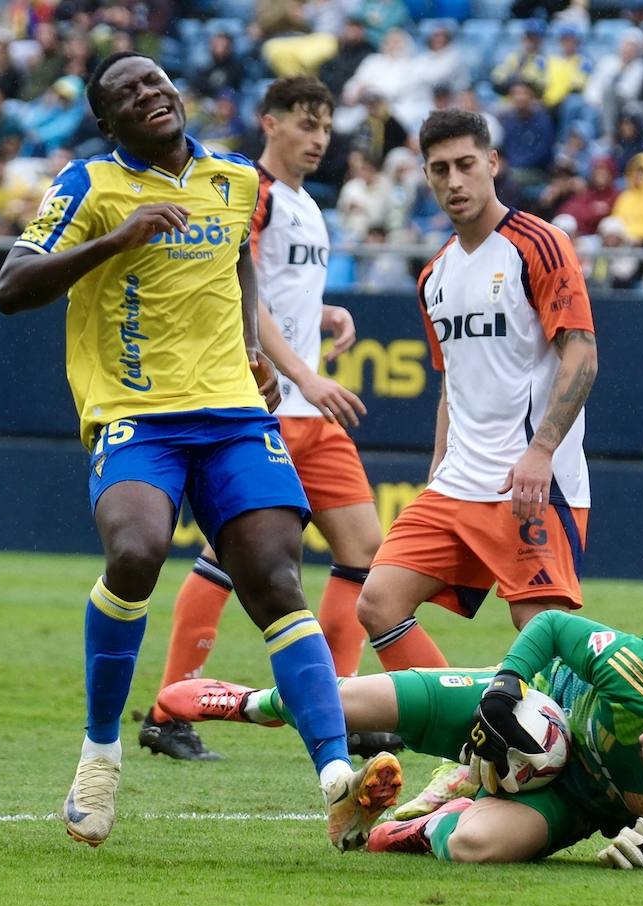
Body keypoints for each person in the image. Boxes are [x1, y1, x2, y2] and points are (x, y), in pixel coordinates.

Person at [0, 52, 400, 851]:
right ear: (109, 123)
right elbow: (13, 285)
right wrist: (116, 240)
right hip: (136, 414)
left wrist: (252, 341)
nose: (149, 95)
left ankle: (335, 779)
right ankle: (101, 753)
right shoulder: (90, 184)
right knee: (138, 551)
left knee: (277, 578)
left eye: (155, 82)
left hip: (233, 413)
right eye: (126, 94)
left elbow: (240, 263)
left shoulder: (235, 179)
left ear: (176, 95)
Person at [354, 108, 598, 815]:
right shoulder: (433, 274)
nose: (454, 181)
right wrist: (437, 470)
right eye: (439, 169)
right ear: (424, 175)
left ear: (493, 163)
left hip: (529, 480)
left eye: (466, 164)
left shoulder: (538, 244)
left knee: (545, 640)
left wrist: (542, 451)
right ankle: (472, 749)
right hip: (457, 483)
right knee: (379, 602)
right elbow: (450, 383)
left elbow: (581, 354)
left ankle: (588, 774)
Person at [135, 77, 385, 759]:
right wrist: (301, 371)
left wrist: (325, 315)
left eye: (327, 128)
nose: (319, 139)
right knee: (233, 557)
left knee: (364, 551)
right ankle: (168, 708)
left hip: (311, 410)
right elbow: (237, 286)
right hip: (271, 406)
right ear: (269, 122)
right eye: (307, 124)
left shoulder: (308, 204)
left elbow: (281, 295)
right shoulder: (254, 194)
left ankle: (339, 704)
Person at [158, 609, 643, 868]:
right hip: (528, 705)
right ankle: (248, 703)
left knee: (476, 848)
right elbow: (549, 624)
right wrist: (505, 686)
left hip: (568, 800)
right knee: (350, 701)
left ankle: (417, 820)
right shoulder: (638, 672)